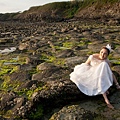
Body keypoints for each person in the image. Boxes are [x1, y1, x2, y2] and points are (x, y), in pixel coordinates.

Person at [70, 44, 120, 109]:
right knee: (101, 71)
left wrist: (117, 84)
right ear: (99, 52)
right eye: (101, 52)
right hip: (92, 72)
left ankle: (106, 99)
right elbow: (86, 65)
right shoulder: (92, 57)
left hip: (102, 75)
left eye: (105, 54)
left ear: (107, 55)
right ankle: (107, 100)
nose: (102, 54)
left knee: (104, 65)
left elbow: (111, 73)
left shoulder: (107, 61)